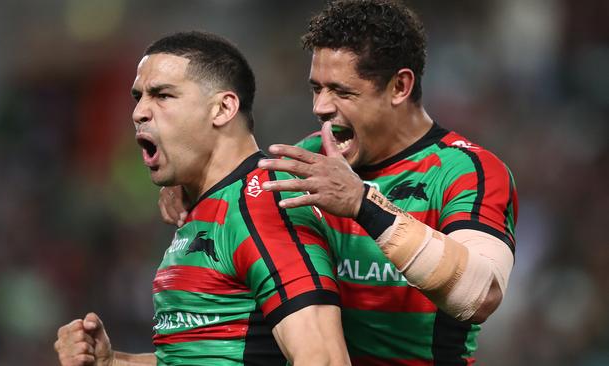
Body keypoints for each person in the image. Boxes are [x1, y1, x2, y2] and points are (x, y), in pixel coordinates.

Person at [160, 1, 518, 364]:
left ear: (399, 86)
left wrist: (363, 204)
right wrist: (195, 178)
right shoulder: (307, 160)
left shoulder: (468, 171)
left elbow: (480, 295)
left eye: (341, 92)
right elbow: (239, 183)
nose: (320, 107)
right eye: (316, 88)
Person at [54, 31, 350, 366]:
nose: (139, 112)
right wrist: (114, 363)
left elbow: (323, 358)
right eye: (138, 97)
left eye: (162, 95)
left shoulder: (262, 201)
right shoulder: (206, 207)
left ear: (223, 108)